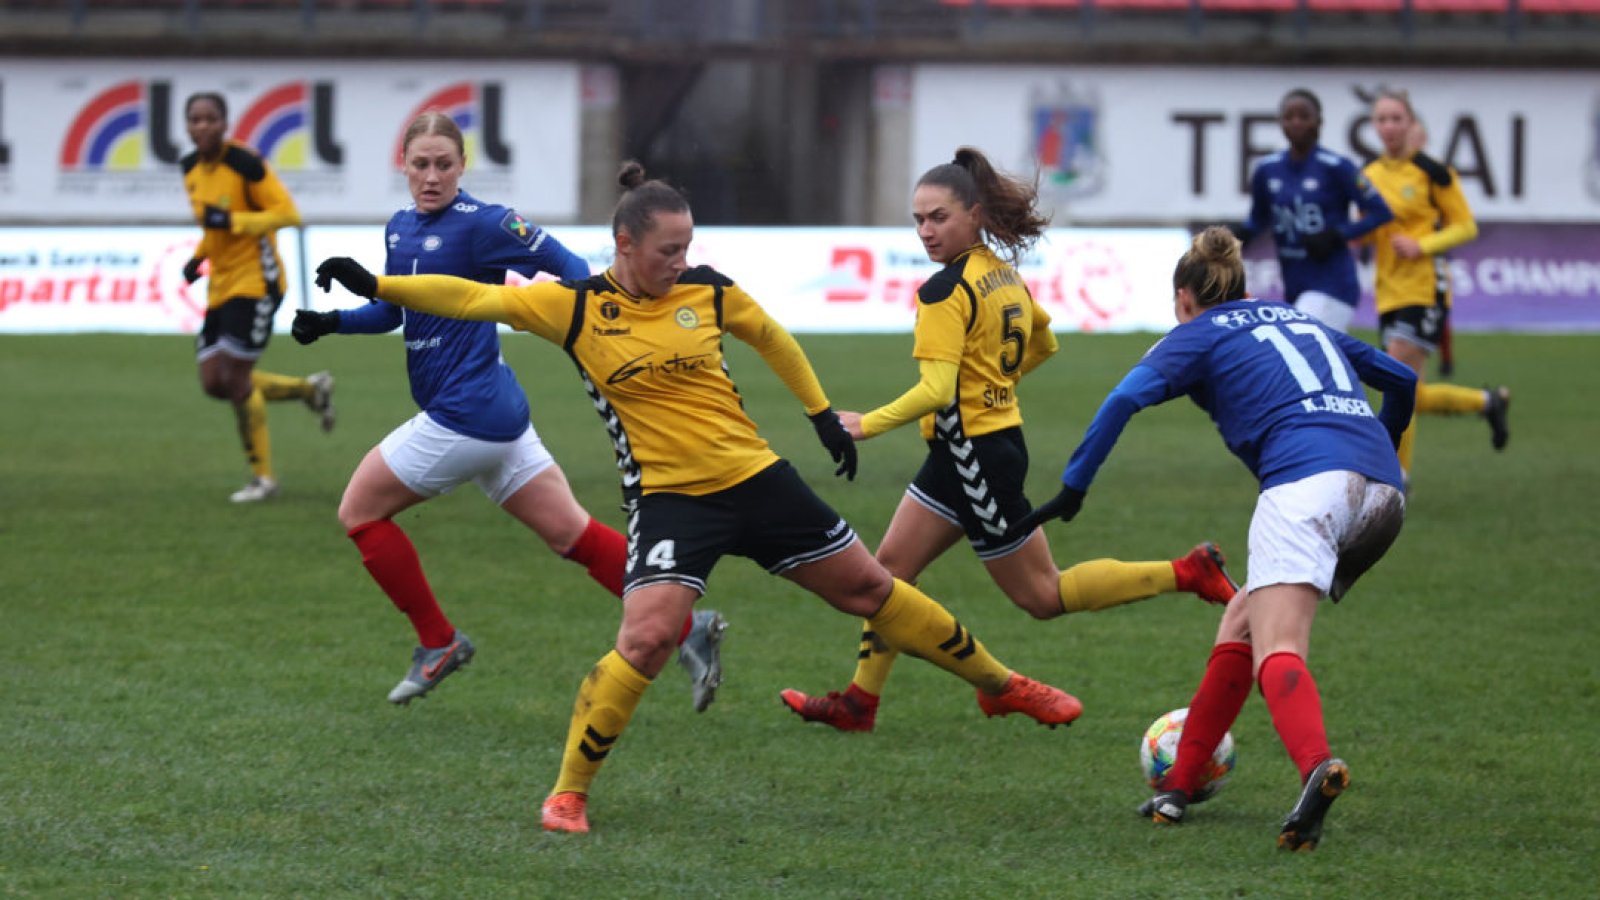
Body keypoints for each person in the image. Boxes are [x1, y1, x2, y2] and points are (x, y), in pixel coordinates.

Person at [314, 160, 1085, 836]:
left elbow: (773, 336)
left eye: (689, 247)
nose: (683, 263)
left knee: (871, 589)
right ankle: (567, 794)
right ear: (625, 248)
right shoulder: (575, 307)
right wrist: (376, 286)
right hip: (672, 501)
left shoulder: (708, 293)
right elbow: (470, 299)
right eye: (668, 251)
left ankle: (1003, 685)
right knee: (648, 638)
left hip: (757, 478)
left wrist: (821, 416)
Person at [779, 147, 1239, 733]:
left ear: (973, 213)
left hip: (973, 455)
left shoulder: (943, 292)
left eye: (938, 217)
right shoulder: (1002, 273)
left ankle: (1186, 572)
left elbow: (937, 389)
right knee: (889, 574)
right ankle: (859, 702)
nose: (925, 230)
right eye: (918, 219)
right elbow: (1043, 343)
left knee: (1042, 596)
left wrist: (865, 423)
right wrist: (994, 383)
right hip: (977, 448)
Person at [290, 112, 726, 711]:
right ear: (404, 166)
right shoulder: (400, 229)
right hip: (497, 416)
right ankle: (688, 628)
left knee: (360, 512)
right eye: (421, 164)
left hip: (465, 416)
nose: (432, 175)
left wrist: (588, 326)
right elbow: (398, 312)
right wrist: (332, 321)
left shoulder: (488, 224)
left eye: (445, 163)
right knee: (571, 534)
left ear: (462, 166)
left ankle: (437, 642)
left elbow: (572, 268)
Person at [1024, 226, 1418, 851]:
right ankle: (1176, 791)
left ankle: (1317, 765)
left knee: (1278, 644)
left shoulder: (1195, 334)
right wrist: (1379, 458)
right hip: (1385, 494)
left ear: (1185, 298)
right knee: (1243, 616)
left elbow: (1124, 400)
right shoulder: (1296, 319)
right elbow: (1401, 379)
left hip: (1306, 486)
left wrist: (1073, 488)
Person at [179, 91, 335, 503]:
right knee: (213, 382)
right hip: (222, 284)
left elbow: (288, 214)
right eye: (195, 119)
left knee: (235, 378)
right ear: (188, 126)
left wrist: (234, 220)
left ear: (225, 123)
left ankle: (264, 479)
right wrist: (198, 259)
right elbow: (212, 230)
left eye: (210, 118)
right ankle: (308, 390)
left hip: (257, 282)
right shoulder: (190, 168)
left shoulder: (245, 163)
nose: (203, 126)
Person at [1363, 86, 1509, 480]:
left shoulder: (1433, 173)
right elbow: (1361, 232)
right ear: (1374, 126)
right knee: (1414, 393)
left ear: (1410, 123)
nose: (1390, 126)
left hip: (1425, 287)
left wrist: (1422, 244)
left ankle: (1398, 477)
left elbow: (1466, 226)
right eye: (1382, 119)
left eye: (1397, 118)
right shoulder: (1369, 176)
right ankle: (1486, 402)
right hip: (1388, 290)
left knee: (1395, 378)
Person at [1231, 88, 1393, 334]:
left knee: (1297, 339)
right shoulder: (1267, 169)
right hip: (1295, 284)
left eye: (1304, 116)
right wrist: (1233, 240)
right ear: (1281, 122)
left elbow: (1380, 211)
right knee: (1318, 361)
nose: (1296, 122)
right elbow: (1258, 219)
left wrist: (1338, 234)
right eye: (1289, 116)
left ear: (1318, 121)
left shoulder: (1337, 167)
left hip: (1334, 285)